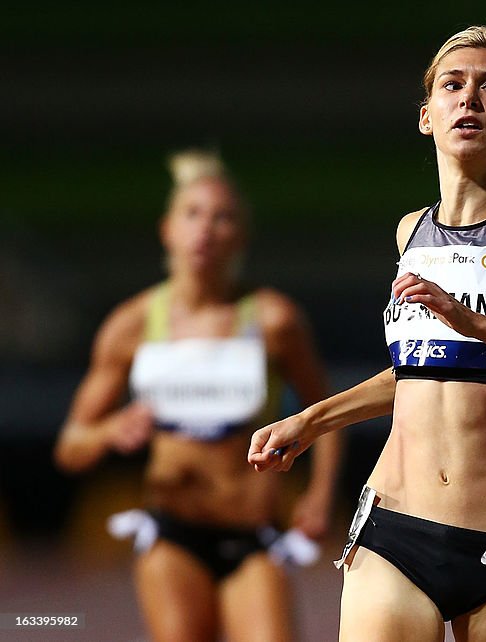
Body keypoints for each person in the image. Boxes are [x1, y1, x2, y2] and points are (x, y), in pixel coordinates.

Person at [248, 24, 486, 642]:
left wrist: (474, 322)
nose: (470, 99)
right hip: (394, 529)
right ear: (428, 116)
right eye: (453, 85)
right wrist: (310, 421)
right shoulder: (409, 234)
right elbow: (419, 374)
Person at [54, 150, 340, 642]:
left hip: (255, 536)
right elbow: (70, 448)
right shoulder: (133, 324)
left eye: (222, 216)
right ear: (167, 229)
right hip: (172, 535)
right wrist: (108, 430)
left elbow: (327, 415)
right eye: (192, 214)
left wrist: (319, 495)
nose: (205, 229)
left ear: (241, 236)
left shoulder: (273, 320)